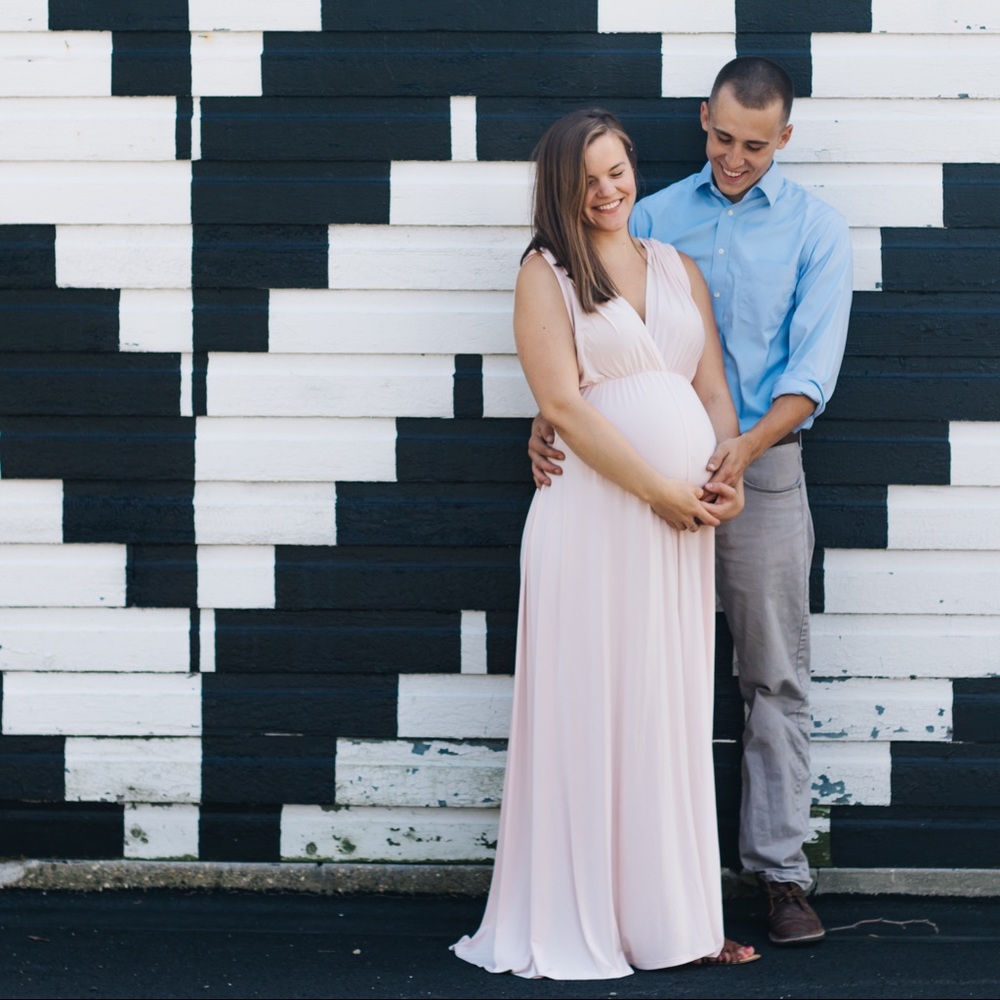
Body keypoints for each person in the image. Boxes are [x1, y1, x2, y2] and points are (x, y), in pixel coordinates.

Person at [530, 58, 853, 947]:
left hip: (763, 473)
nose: (735, 157)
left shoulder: (819, 230)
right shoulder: (653, 215)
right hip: (633, 494)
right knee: (642, 674)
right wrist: (547, 412)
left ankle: (781, 877)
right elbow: (589, 332)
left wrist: (739, 456)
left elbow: (811, 373)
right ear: (701, 118)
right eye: (721, 137)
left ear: (783, 138)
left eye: (756, 145)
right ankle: (647, 893)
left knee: (772, 675)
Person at [453, 108, 753, 980]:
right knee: (595, 707)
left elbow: (711, 389)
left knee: (667, 711)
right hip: (597, 520)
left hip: (677, 526)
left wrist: (722, 470)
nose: (607, 191)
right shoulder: (544, 275)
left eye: (618, 171)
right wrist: (661, 488)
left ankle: (677, 923)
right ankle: (586, 917)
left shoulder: (676, 267)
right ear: (560, 188)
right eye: (588, 179)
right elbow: (568, 406)